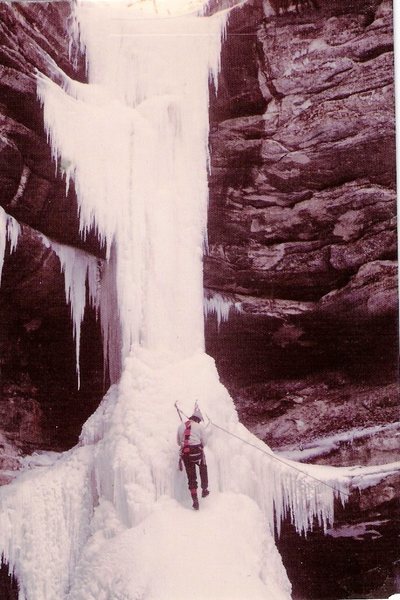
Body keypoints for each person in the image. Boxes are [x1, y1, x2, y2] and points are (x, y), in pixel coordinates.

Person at [177, 405, 209, 510]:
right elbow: (204, 442)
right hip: (197, 453)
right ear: (198, 419)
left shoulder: (181, 426)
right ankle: (204, 490)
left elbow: (178, 442)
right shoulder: (200, 427)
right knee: (203, 468)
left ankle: (195, 499)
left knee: (191, 477)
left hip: (186, 454)